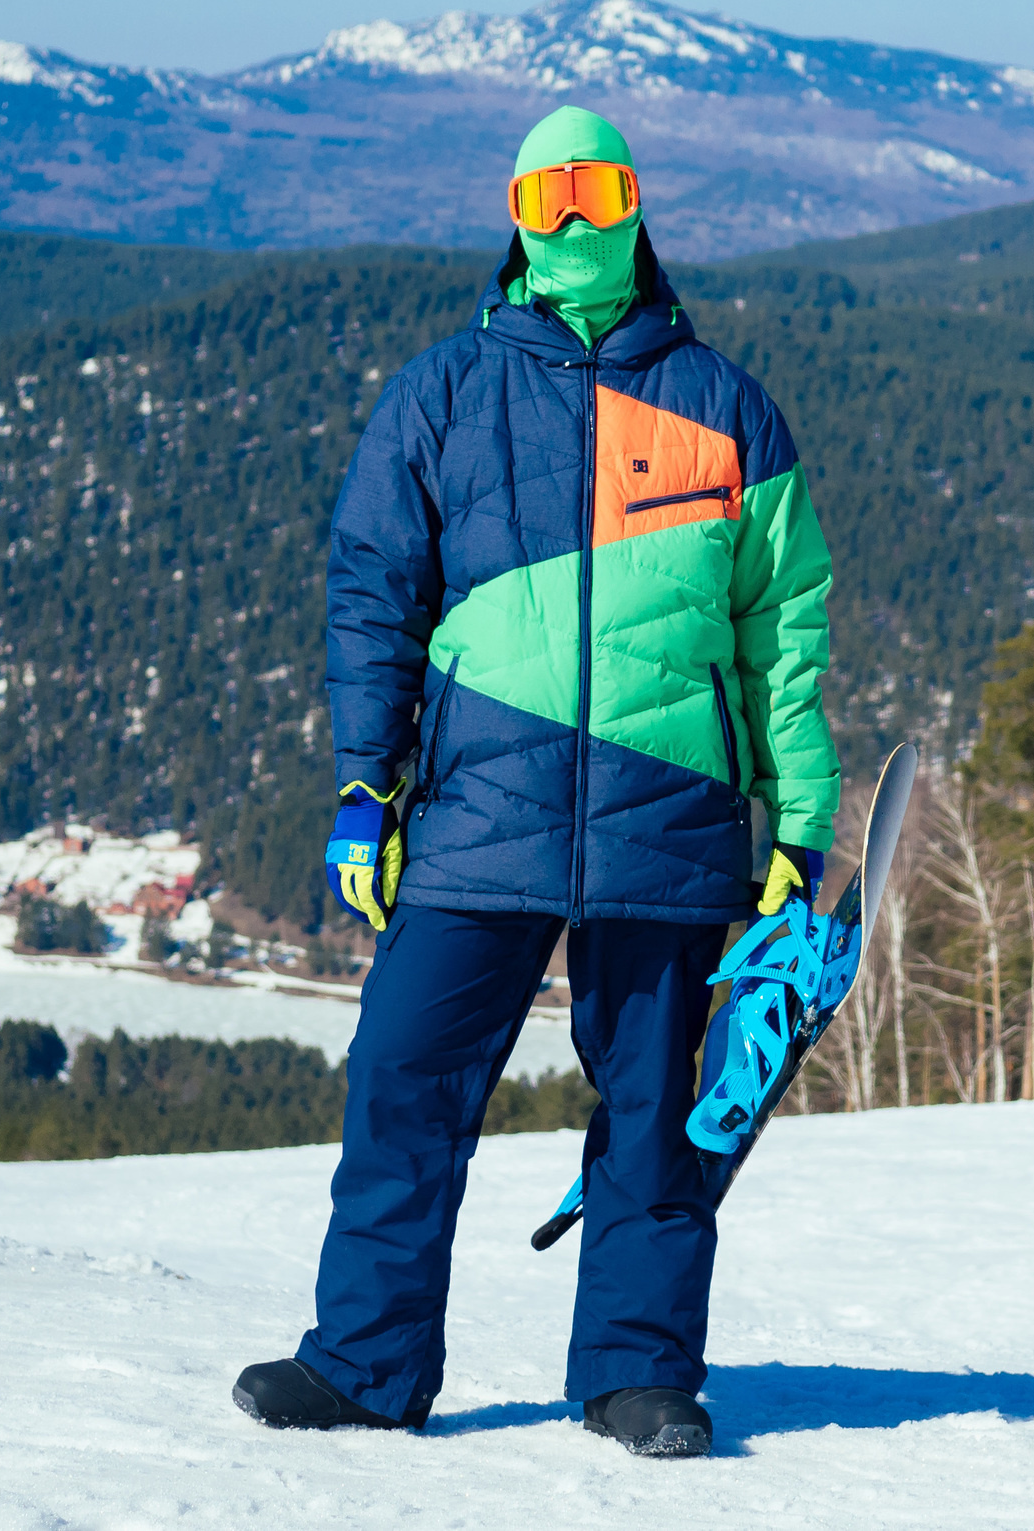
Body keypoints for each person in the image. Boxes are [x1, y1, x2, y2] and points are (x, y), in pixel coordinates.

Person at [233, 106, 839, 1458]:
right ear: (512, 214)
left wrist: (802, 827)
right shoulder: (442, 394)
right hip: (478, 813)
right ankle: (366, 1362)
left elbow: (782, 634)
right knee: (403, 1078)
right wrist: (362, 784)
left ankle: (636, 1371)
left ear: (639, 206)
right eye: (547, 197)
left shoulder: (727, 407)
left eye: (599, 192)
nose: (574, 223)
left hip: (672, 818)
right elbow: (374, 597)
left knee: (660, 1109)